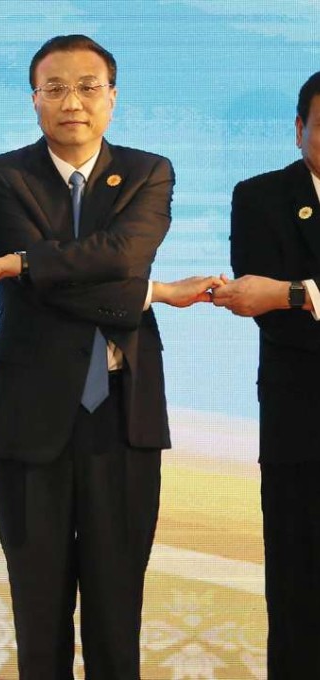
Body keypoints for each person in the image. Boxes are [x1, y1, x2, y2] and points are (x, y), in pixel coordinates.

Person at [0, 35, 219, 679]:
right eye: (56, 89)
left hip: (123, 419)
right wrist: (149, 294)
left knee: (116, 611)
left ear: (112, 97)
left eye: (88, 87)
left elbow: (121, 257)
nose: (73, 101)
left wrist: (26, 263)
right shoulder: (2, 175)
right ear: (35, 100)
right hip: (30, 420)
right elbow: (56, 283)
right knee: (37, 615)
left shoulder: (150, 170)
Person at [212, 71, 320, 678]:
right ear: (300, 127)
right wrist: (291, 299)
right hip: (302, 429)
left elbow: (283, 299)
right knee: (299, 596)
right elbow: (260, 307)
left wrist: (297, 292)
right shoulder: (259, 196)